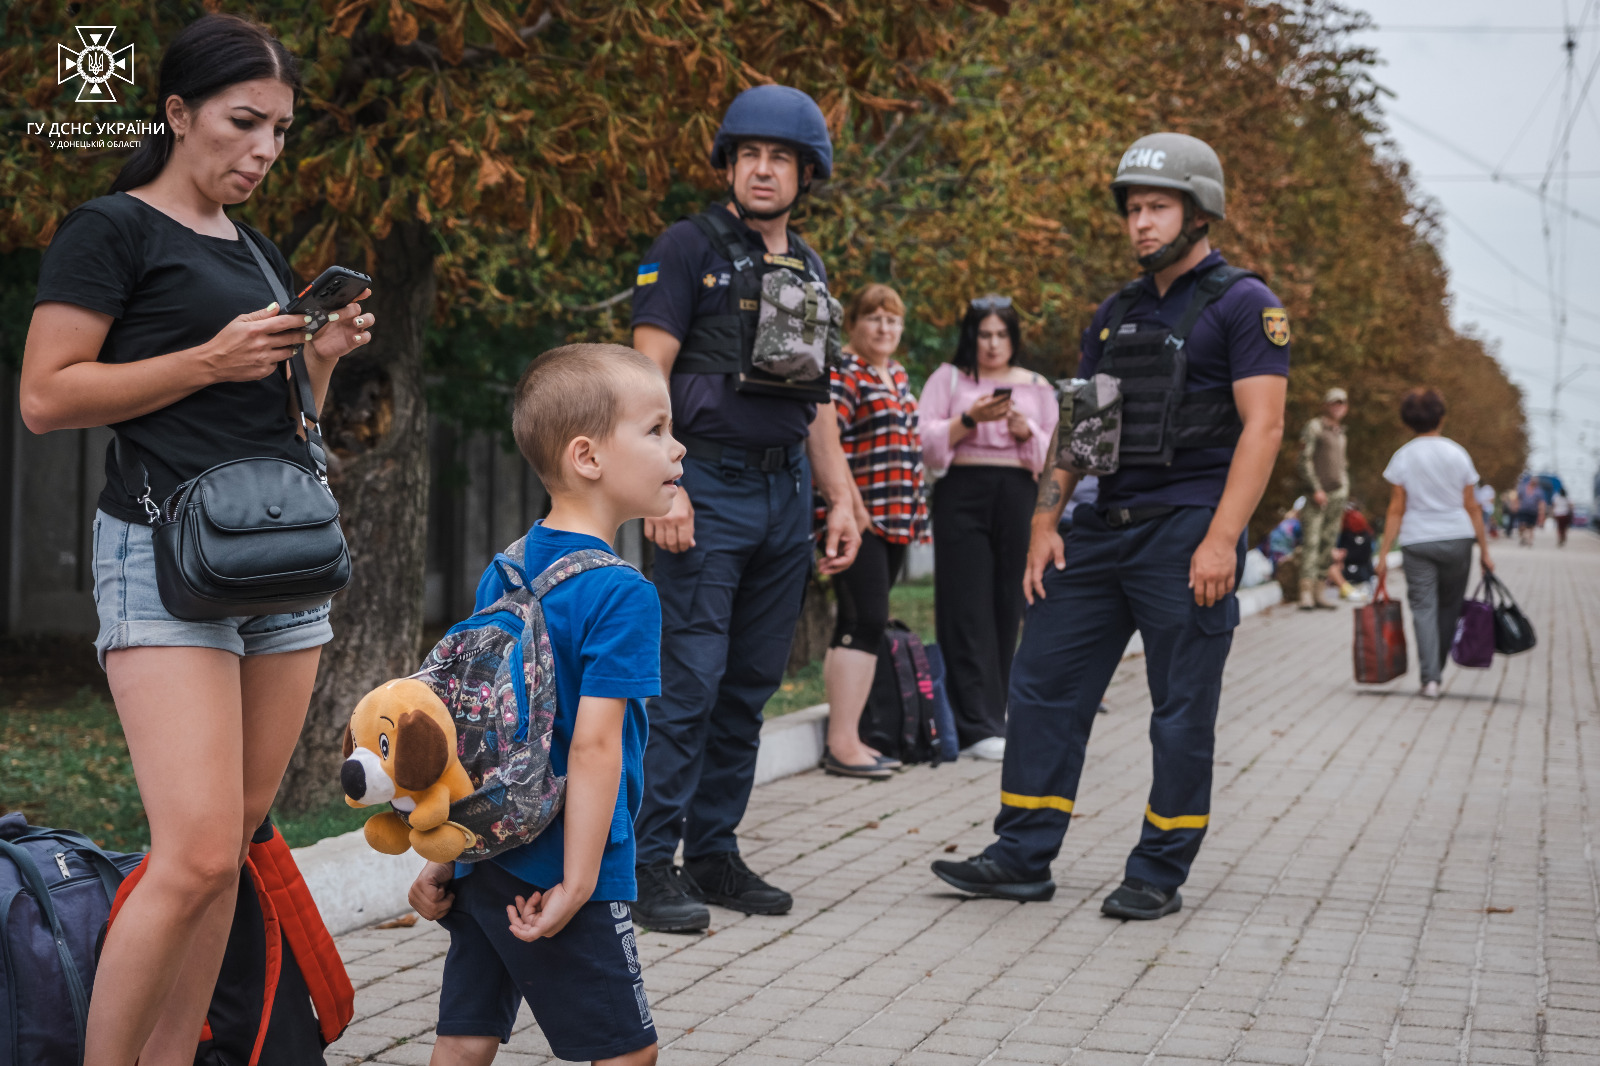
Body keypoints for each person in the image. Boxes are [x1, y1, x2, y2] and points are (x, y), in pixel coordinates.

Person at [19, 16, 377, 1063]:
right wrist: (210, 358)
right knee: (190, 853)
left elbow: (274, 429)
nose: (264, 150)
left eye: (279, 131)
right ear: (176, 113)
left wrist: (317, 363)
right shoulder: (111, 229)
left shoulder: (256, 247)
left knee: (227, 857)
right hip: (164, 560)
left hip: (281, 563)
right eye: (242, 123)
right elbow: (47, 396)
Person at [931, 132, 1288, 920]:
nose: (1141, 223)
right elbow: (1082, 426)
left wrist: (1223, 538)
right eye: (1132, 209)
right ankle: (1021, 855)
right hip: (1100, 530)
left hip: (1187, 529)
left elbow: (1262, 430)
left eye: (1158, 207)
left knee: (1180, 708)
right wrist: (1046, 520)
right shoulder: (1115, 312)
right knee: (1043, 685)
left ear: (1200, 212)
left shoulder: (1244, 304)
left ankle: (1158, 868)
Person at [627, 85, 861, 933]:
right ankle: (649, 863)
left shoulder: (811, 265)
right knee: (686, 683)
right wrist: (663, 485)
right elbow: (644, 373)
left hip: (784, 492)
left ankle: (714, 853)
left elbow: (819, 398)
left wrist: (841, 497)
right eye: (750, 155)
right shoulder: (687, 247)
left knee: (749, 685)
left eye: (782, 158)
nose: (764, 170)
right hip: (707, 486)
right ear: (730, 164)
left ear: (806, 173)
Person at [407, 345, 674, 1066]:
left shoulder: (508, 565)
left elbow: (466, 723)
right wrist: (581, 881)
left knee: (465, 1037)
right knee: (626, 1052)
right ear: (588, 456)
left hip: (486, 848)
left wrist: (448, 853)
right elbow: (594, 748)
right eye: (655, 431)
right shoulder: (623, 594)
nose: (676, 448)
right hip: (563, 859)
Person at [918, 297, 1058, 760]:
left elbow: (1057, 457)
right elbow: (927, 445)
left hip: (1018, 495)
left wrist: (1025, 432)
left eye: (1001, 334)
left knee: (1007, 601)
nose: (993, 344)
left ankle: (997, 713)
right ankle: (973, 722)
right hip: (963, 491)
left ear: (1014, 338)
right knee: (965, 605)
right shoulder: (950, 378)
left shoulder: (1037, 386)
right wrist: (970, 419)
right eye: (984, 334)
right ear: (971, 337)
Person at [820, 285, 928, 779]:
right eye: (874, 318)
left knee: (870, 623)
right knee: (861, 620)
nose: (884, 328)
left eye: (893, 319)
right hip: (860, 519)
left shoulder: (899, 375)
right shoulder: (846, 372)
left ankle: (854, 736)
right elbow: (828, 443)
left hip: (898, 519)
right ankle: (841, 743)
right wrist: (852, 507)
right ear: (854, 325)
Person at [1374, 388, 1494, 700]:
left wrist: (1384, 553)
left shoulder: (1403, 456)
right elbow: (1472, 507)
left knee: (1423, 609)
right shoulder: (1458, 454)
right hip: (1458, 539)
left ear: (1408, 420)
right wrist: (1485, 552)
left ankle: (1430, 679)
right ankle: (1435, 674)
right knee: (1449, 609)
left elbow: (1396, 509)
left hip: (1417, 541)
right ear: (1441, 417)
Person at [1296, 387, 1349, 610]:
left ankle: (1320, 591)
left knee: (1328, 544)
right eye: (1334, 403)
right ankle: (1305, 593)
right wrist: (1315, 488)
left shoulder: (1340, 432)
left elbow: (1342, 465)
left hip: (1337, 494)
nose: (1338, 407)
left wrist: (1345, 489)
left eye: (1342, 403)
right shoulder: (1315, 427)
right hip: (1318, 495)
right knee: (1312, 542)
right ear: (1326, 404)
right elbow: (1304, 460)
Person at [1513, 475, 1545, 547]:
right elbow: (1517, 498)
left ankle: (1530, 541)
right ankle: (1523, 537)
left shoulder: (1539, 491)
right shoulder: (1523, 488)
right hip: (1523, 509)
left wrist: (1541, 513)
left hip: (1533, 511)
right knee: (1522, 525)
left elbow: (1541, 502)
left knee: (1531, 527)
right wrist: (1516, 506)